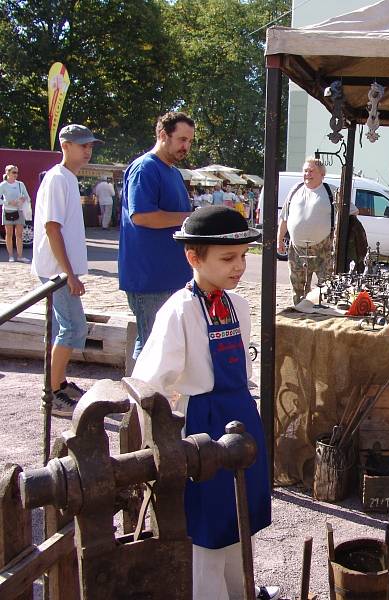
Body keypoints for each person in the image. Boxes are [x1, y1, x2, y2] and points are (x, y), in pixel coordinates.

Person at [132, 206, 279, 600]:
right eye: (228, 258)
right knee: (208, 528)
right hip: (203, 427)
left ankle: (240, 589)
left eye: (243, 257)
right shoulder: (179, 311)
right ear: (194, 257)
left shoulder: (238, 306)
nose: (238, 267)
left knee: (237, 518)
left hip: (242, 418)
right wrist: (162, 438)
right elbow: (148, 383)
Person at [31, 125, 103, 417]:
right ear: (66, 145)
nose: (88, 151)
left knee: (69, 326)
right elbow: (52, 228)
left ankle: (58, 383)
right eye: (82, 145)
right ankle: (53, 392)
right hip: (56, 272)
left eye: (90, 146)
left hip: (61, 271)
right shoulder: (58, 179)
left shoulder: (68, 179)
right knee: (73, 327)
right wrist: (68, 274)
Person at [119, 111, 195, 361]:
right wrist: (189, 217)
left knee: (166, 345)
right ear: (163, 135)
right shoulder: (145, 168)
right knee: (151, 344)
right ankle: (141, 399)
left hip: (172, 276)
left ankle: (156, 399)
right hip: (150, 279)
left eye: (190, 141)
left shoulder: (173, 172)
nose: (187, 146)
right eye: (182, 140)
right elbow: (141, 216)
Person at [277, 158, 359, 305]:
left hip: (324, 250)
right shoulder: (295, 190)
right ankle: (298, 316)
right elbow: (284, 217)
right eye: (305, 171)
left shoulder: (331, 191)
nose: (307, 174)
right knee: (297, 289)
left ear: (322, 174)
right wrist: (279, 240)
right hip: (296, 249)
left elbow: (352, 212)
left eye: (311, 171)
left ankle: (322, 316)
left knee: (326, 288)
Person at [0, 164, 32, 262]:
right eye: (14, 172)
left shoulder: (20, 184)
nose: (16, 174)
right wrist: (9, 202)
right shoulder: (3, 185)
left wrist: (23, 199)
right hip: (8, 211)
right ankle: (10, 256)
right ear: (7, 173)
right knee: (9, 234)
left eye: (17, 172)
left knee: (19, 234)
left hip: (19, 211)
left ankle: (20, 256)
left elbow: (27, 197)